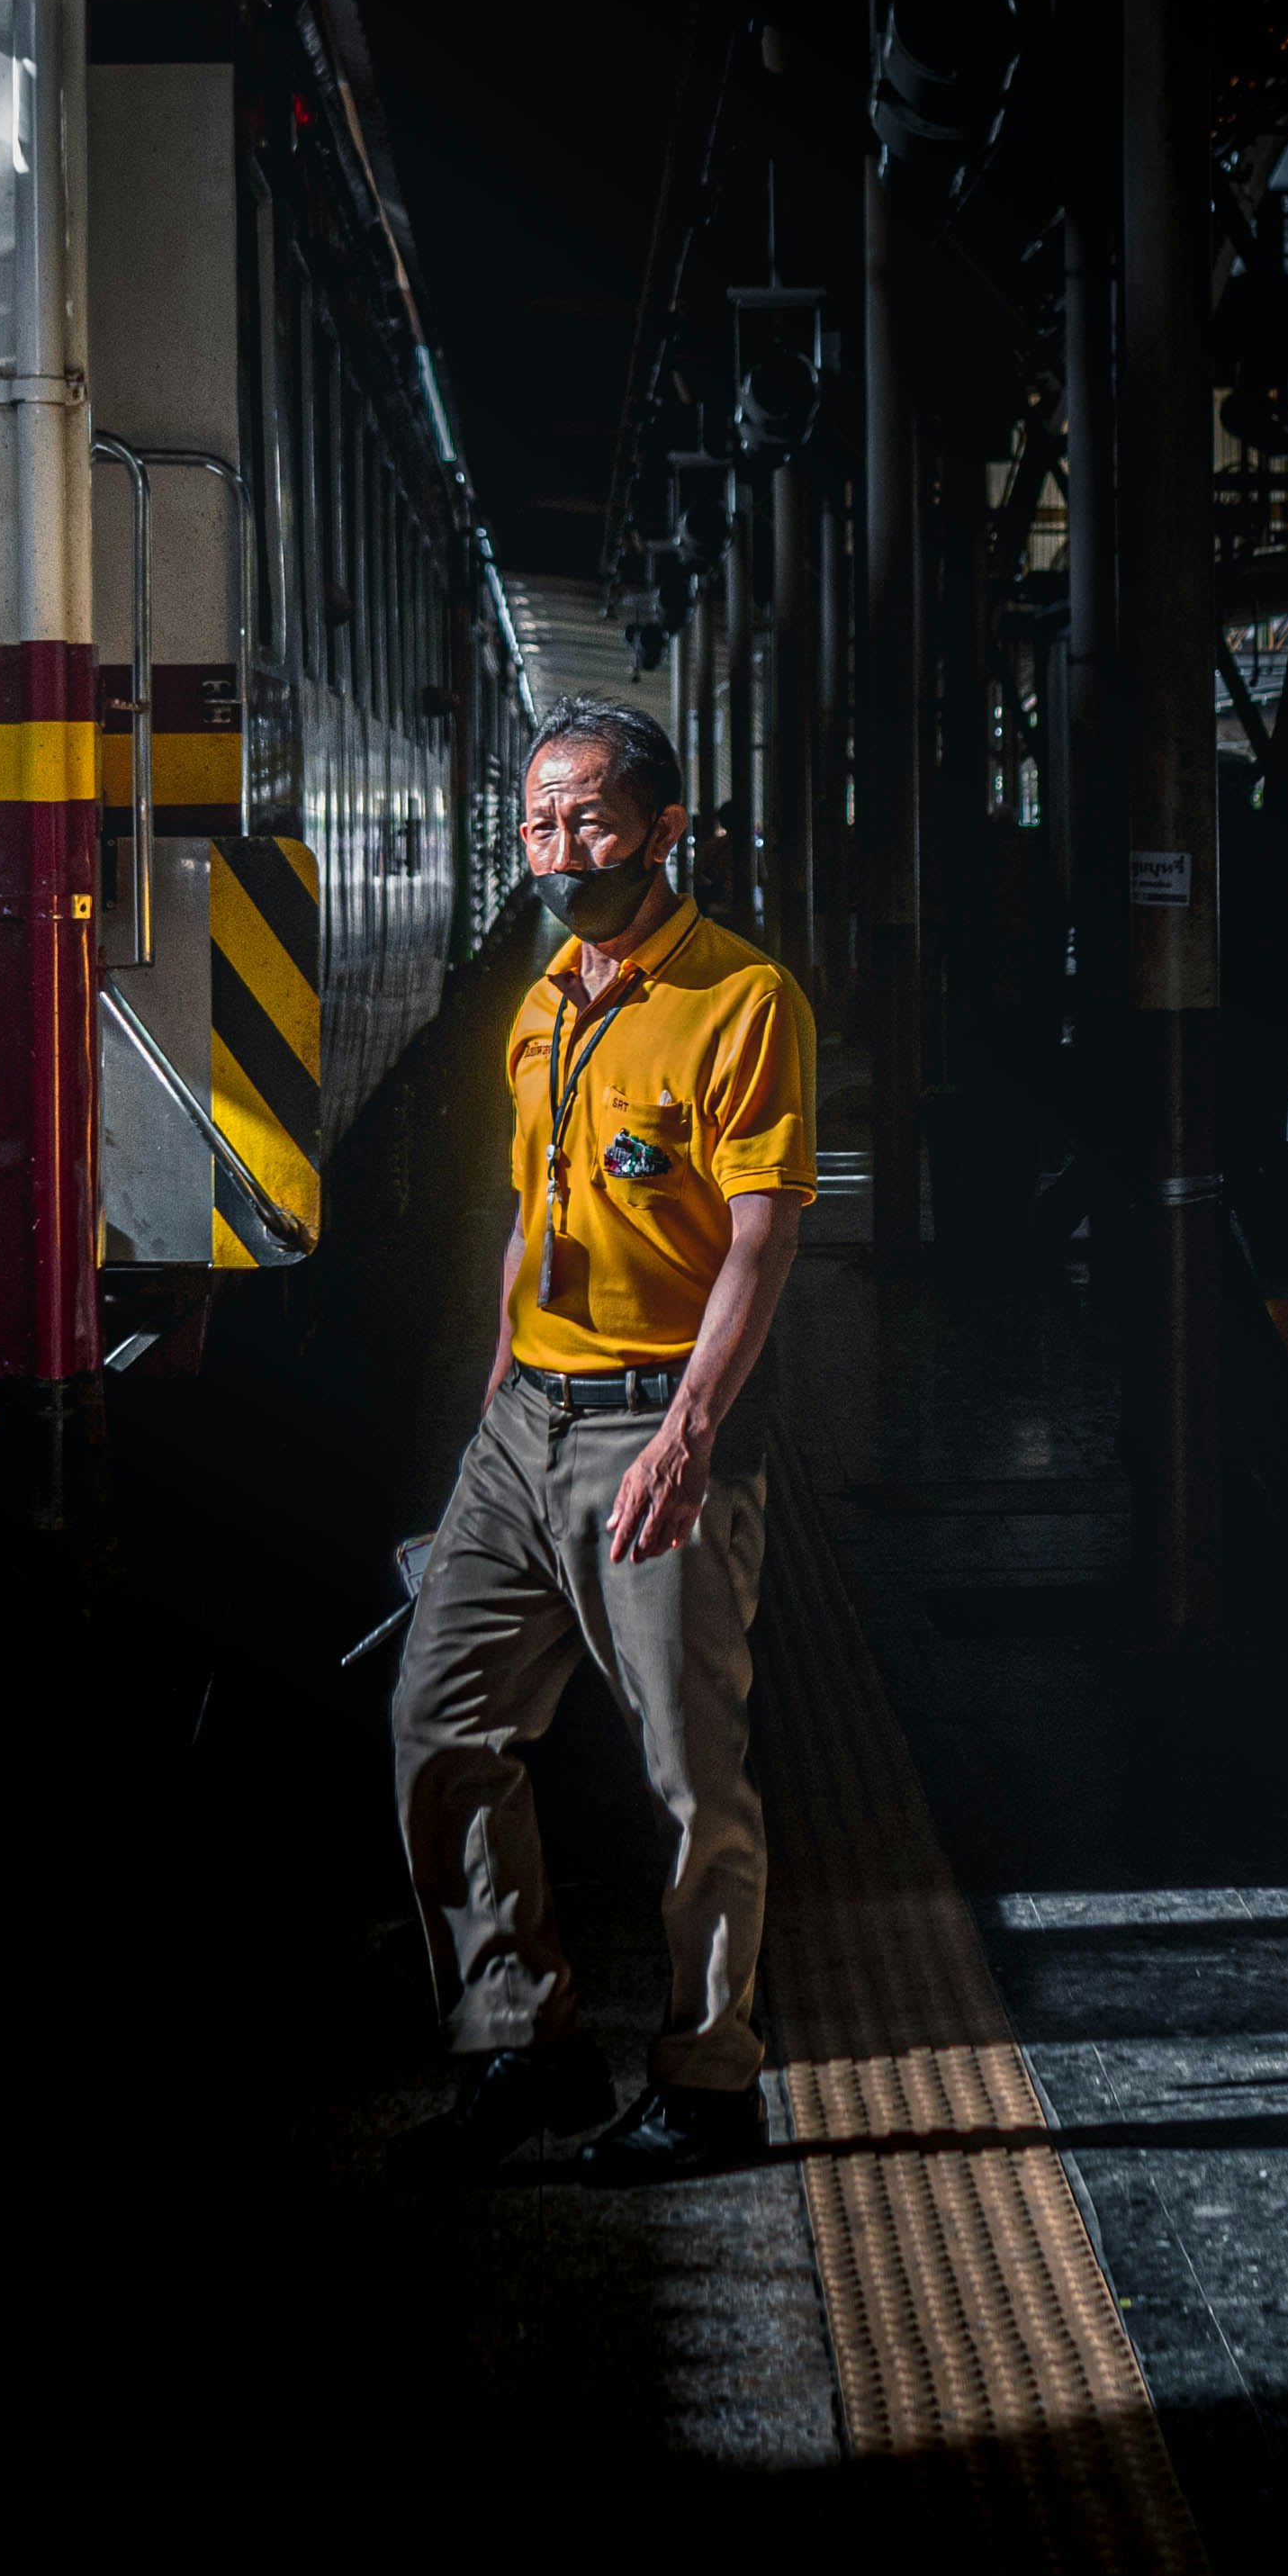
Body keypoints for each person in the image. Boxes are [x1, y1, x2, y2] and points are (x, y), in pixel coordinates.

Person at [388, 697, 816, 2184]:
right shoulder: (538, 1005)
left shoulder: (741, 998)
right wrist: (490, 1421)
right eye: (534, 821)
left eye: (584, 819)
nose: (555, 847)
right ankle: (525, 2042)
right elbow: (530, 1222)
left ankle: (708, 2080)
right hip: (525, 1428)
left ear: (661, 829)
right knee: (442, 1724)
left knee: (691, 1775)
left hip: (655, 1423)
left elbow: (757, 1239)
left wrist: (687, 1436)